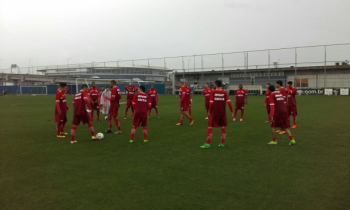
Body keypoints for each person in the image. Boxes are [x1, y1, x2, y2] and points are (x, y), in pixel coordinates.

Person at [200, 80, 233, 149]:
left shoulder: (213, 92)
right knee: (223, 127)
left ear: (215, 85)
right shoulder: (224, 92)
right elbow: (229, 102)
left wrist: (209, 111)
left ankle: (207, 144)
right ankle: (222, 143)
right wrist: (231, 111)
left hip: (214, 112)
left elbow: (211, 103)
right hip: (222, 113)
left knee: (210, 126)